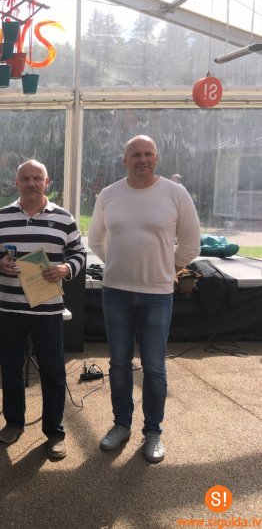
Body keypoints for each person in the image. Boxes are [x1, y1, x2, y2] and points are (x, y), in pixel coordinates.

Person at [88, 135, 200, 463]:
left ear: (156, 158)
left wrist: (166, 270)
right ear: (124, 160)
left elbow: (191, 244)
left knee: (153, 366)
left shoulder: (175, 194)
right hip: (116, 293)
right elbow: (96, 239)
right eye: (135, 154)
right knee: (119, 364)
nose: (142, 159)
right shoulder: (109, 194)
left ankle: (153, 431)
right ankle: (121, 425)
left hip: (157, 295)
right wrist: (118, 265)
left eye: (148, 154)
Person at [0, 159, 86, 459]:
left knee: (53, 371)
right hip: (10, 308)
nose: (31, 183)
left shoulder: (64, 218)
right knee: (10, 368)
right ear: (17, 183)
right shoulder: (0, 217)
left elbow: (79, 253)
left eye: (36, 178)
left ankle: (54, 432)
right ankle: (14, 423)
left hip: (48, 309)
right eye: (25, 178)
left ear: (47, 182)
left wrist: (66, 268)